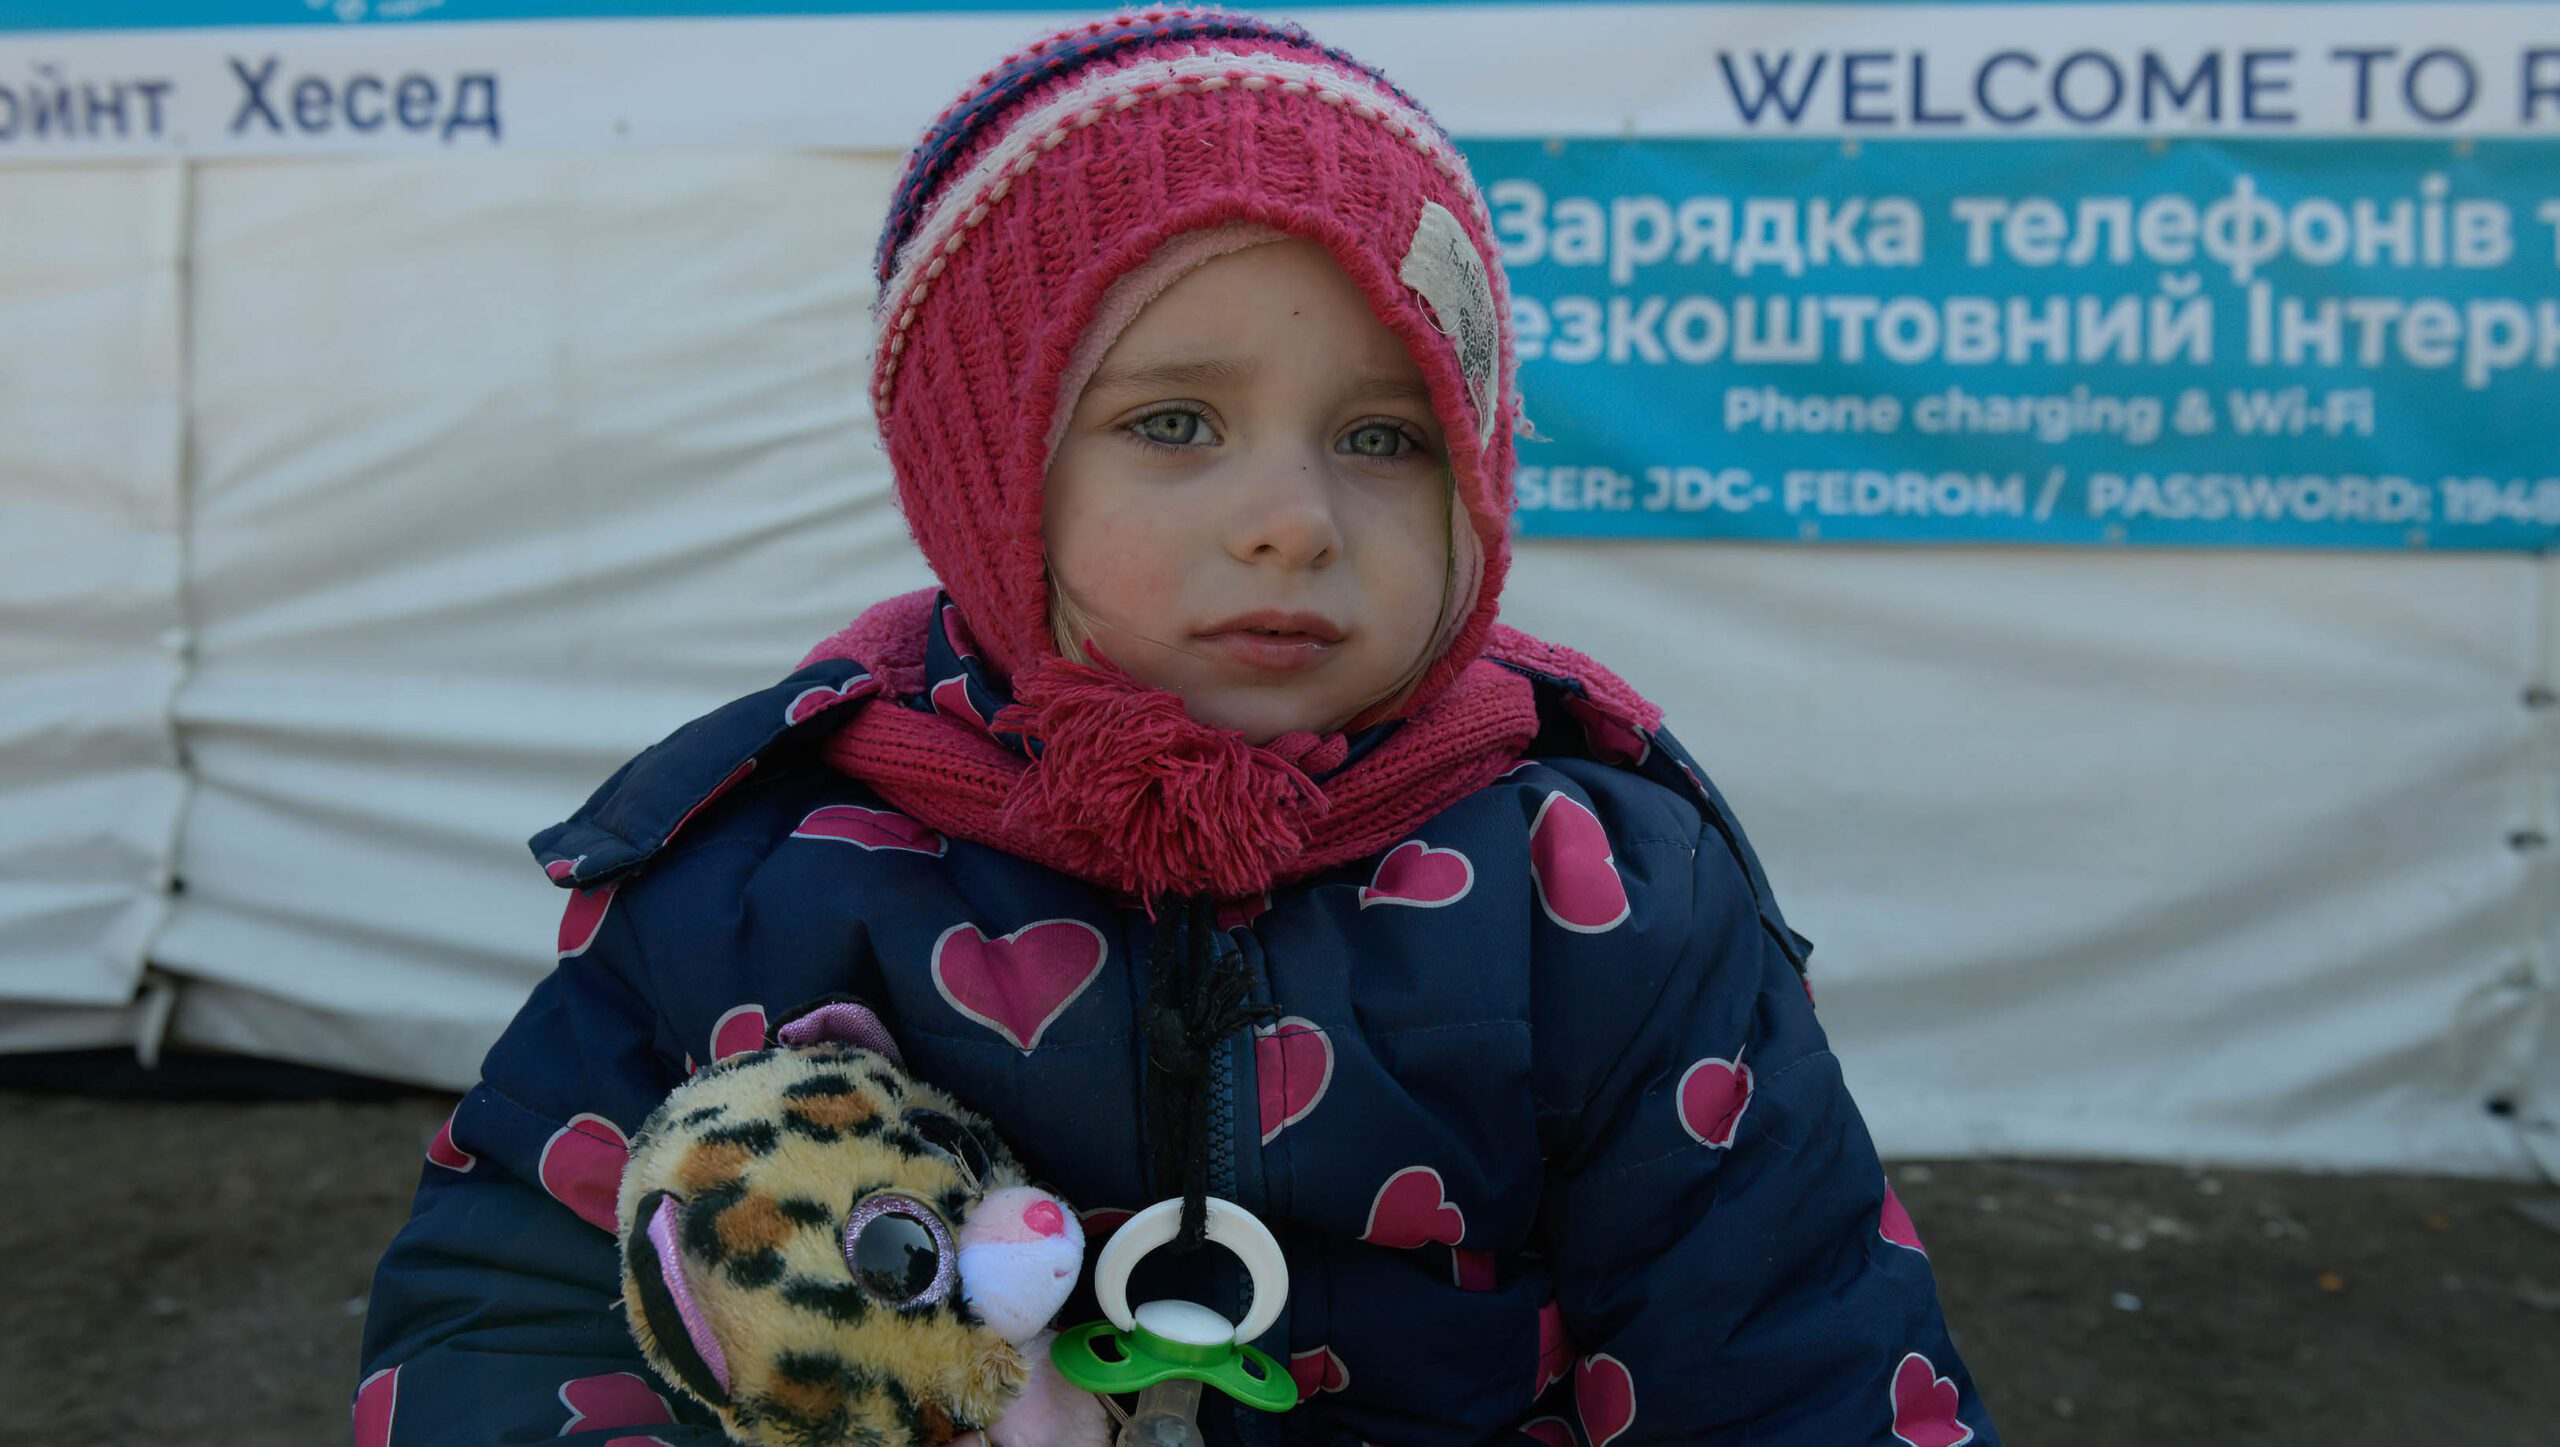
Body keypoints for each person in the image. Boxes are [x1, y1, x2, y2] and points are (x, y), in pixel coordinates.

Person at [358, 10, 1998, 1445]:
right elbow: (523, 1313)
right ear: (985, 469)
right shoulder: (757, 879)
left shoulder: (1600, 890)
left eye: (1385, 434)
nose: (1292, 518)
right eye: (1174, 423)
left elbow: (1796, 1358)